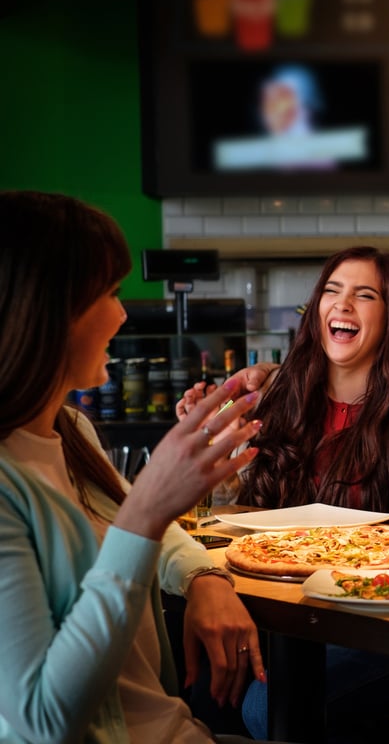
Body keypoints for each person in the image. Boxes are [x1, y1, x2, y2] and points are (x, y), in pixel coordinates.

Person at [0, 190, 270, 743]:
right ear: (48, 312)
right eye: (109, 292)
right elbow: (45, 722)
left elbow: (146, 530)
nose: (123, 313)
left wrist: (204, 577)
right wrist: (144, 513)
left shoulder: (71, 432)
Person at [177, 246, 389, 741]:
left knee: (268, 709)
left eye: (364, 295)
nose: (343, 304)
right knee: (197, 691)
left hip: (380, 631)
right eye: (333, 291)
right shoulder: (272, 395)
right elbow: (235, 513)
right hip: (276, 617)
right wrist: (209, 444)